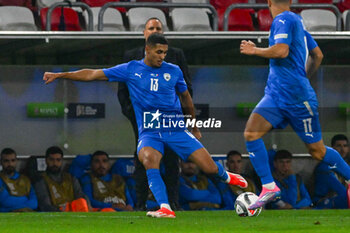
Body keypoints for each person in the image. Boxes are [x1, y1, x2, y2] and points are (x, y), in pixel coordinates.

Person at [43, 33, 247, 218]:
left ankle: (227, 176)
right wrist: (61, 75)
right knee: (150, 160)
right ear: (147, 49)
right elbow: (93, 74)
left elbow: (186, 98)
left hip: (175, 129)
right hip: (149, 132)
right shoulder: (131, 69)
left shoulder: (174, 71)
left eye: (165, 53)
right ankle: (165, 208)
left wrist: (193, 126)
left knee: (210, 168)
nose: (162, 56)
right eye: (159, 52)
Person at [240, 0, 350, 210]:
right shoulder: (297, 21)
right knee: (251, 133)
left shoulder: (283, 19)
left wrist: (255, 51)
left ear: (269, 2)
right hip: (276, 94)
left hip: (296, 98)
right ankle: (269, 187)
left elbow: (281, 51)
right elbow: (318, 55)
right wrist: (304, 77)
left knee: (317, 151)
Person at [118, 17, 192, 210]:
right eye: (151, 28)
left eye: (158, 28)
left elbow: (187, 89)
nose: (154, 30)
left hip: (170, 119)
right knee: (143, 159)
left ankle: (172, 203)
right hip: (143, 120)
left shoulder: (176, 55)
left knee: (171, 159)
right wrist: (135, 116)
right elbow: (122, 92)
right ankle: (140, 203)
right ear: (144, 33)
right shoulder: (131, 56)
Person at [34, 146, 91, 212]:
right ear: (46, 160)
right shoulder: (41, 180)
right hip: (56, 216)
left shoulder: (71, 178)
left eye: (58, 160)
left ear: (62, 161)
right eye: (51, 160)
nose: (55, 163)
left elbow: (80, 196)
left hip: (74, 213)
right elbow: (45, 206)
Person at [313, 134, 349, 209]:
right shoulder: (325, 166)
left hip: (340, 198)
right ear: (332, 148)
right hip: (323, 201)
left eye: (345, 146)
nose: (342, 149)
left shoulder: (345, 166)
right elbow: (339, 189)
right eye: (339, 146)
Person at [0, 148, 38, 212]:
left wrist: (20, 209)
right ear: (1, 162)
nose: (10, 164)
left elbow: (34, 203)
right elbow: (5, 202)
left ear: (16, 161)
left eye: (13, 160)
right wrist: (16, 210)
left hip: (26, 213)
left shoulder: (25, 179)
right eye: (6, 161)